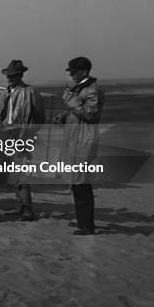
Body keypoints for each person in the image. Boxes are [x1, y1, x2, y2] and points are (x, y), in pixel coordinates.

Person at [54, 56, 104, 236]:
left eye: (74, 72)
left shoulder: (92, 89)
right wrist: (65, 117)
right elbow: (78, 112)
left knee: (82, 182)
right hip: (76, 139)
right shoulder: (80, 89)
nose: (71, 75)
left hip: (85, 141)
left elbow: (91, 114)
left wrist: (69, 101)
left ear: (83, 71)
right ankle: (82, 221)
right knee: (76, 182)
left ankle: (87, 226)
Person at [0, 60, 45, 221]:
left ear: (20, 75)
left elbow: (40, 118)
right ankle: (20, 205)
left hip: (23, 135)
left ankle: (28, 208)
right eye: (8, 76)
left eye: (13, 75)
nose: (10, 78)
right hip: (5, 135)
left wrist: (29, 134)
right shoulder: (5, 92)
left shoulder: (31, 92)